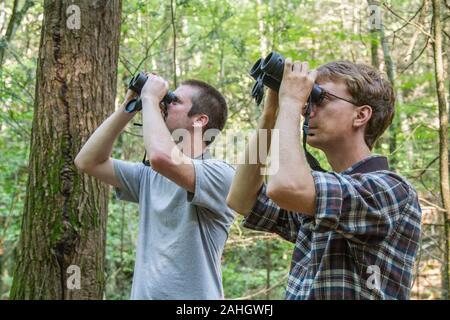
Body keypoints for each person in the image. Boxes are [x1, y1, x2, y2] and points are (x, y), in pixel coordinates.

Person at [227, 58, 422, 299]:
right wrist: (271, 114)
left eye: (320, 98)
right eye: (308, 100)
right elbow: (241, 199)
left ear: (361, 115)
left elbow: (285, 186)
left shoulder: (390, 190)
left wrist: (291, 102)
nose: (307, 108)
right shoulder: (320, 194)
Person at [74, 73, 235, 299]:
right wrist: (128, 107)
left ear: (200, 120)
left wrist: (150, 98)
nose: (166, 103)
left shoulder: (221, 174)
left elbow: (162, 158)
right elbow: (87, 161)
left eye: (175, 101)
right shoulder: (149, 175)